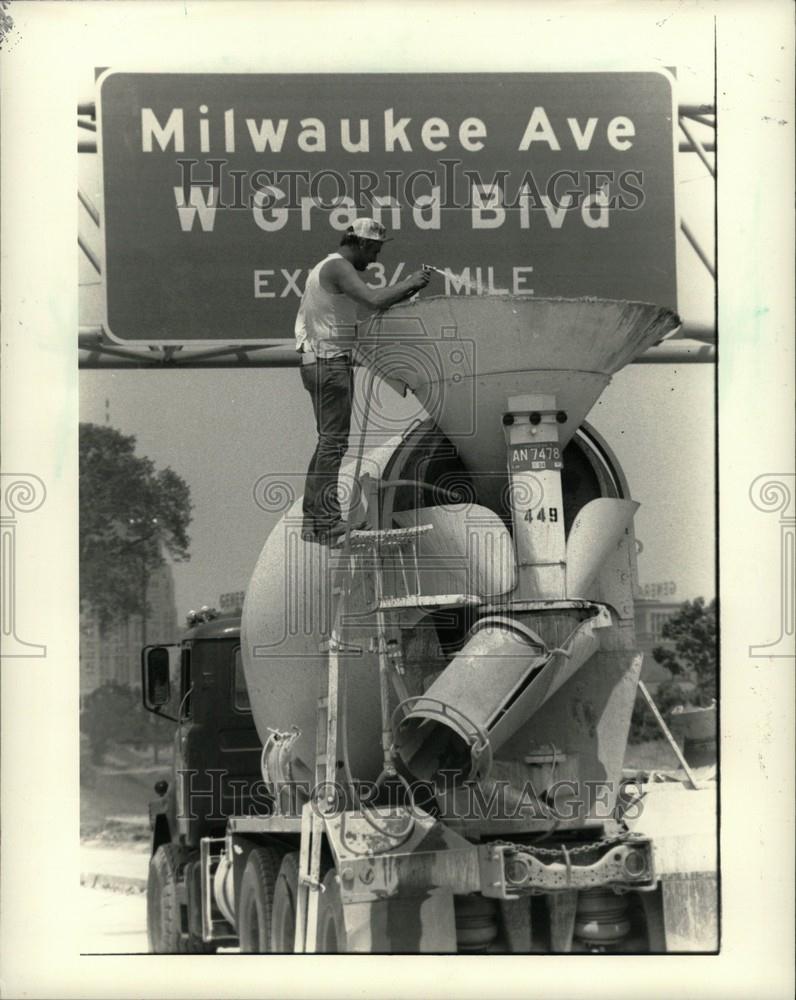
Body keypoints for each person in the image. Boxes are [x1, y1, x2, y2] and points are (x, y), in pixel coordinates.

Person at [295, 218, 431, 544]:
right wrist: (412, 283)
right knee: (333, 444)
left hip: (318, 362)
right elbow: (373, 300)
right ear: (360, 243)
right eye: (375, 250)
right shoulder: (339, 267)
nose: (375, 260)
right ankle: (325, 521)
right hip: (329, 364)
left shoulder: (327, 268)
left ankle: (315, 522)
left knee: (328, 442)